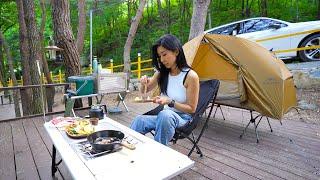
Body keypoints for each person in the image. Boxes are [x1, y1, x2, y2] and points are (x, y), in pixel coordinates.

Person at [130, 34, 199, 145]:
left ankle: (159, 152)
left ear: (176, 52)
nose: (162, 60)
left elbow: (192, 109)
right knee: (139, 120)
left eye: (164, 54)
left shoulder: (191, 76)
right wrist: (143, 83)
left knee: (165, 115)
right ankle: (129, 149)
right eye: (159, 56)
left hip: (183, 119)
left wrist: (170, 102)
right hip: (164, 116)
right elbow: (144, 91)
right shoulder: (162, 73)